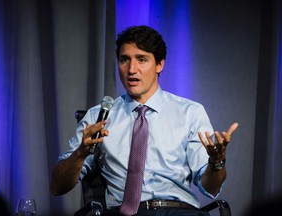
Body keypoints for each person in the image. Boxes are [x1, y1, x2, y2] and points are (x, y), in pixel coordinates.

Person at [50, 25, 239, 216]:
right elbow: (57, 187)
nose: (132, 69)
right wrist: (81, 153)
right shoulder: (98, 117)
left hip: (178, 212)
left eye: (142, 59)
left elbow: (210, 188)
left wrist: (217, 163)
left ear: (159, 65)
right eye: (124, 60)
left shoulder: (190, 113)